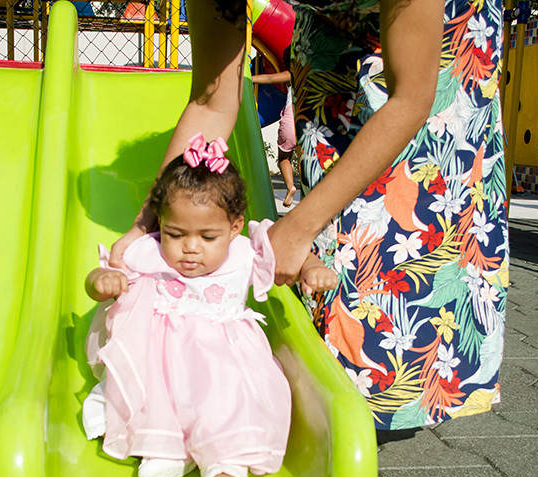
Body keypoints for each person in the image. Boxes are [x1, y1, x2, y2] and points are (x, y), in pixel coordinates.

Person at [110, 0, 508, 435]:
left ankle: (357, 440)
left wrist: (298, 226)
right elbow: (210, 103)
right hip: (333, 73)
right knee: (339, 304)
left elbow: (411, 98)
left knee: (396, 289)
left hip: (430, 81)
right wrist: (148, 222)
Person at [84, 135, 338, 477]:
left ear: (234, 227)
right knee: (157, 389)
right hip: (163, 354)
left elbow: (292, 255)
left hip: (225, 355)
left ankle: (224, 467)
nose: (190, 247)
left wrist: (313, 268)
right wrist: (101, 283)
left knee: (225, 394)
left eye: (207, 236)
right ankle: (166, 448)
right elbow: (102, 274)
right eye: (175, 234)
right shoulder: (149, 252)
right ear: (161, 224)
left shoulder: (244, 251)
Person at [252, 48, 298, 208]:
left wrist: (249, 77)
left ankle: (290, 186)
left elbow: (271, 78)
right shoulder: (312, 75)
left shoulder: (292, 75)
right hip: (310, 122)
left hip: (290, 122)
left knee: (284, 158)